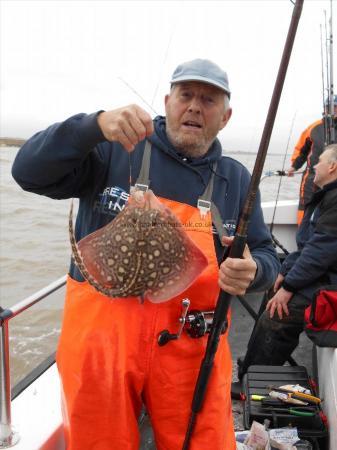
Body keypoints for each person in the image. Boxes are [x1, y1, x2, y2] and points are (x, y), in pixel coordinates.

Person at [12, 59, 280, 450]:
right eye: (186, 95)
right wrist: (92, 126)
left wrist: (254, 271)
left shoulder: (236, 179)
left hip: (189, 344)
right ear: (168, 101)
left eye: (208, 99)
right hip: (103, 342)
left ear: (225, 116)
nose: (194, 106)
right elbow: (27, 172)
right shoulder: (114, 150)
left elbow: (268, 255)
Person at [237, 144, 337, 383]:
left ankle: (253, 381)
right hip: (323, 274)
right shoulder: (328, 197)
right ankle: (250, 369)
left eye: (319, 161)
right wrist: (284, 271)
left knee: (278, 315)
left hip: (330, 283)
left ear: (332, 167)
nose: (313, 166)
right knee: (271, 291)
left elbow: (320, 252)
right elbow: (309, 247)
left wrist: (290, 287)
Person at [287, 95, 337, 225]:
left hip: (334, 178)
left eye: (335, 107)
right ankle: (303, 241)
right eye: (330, 107)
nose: (333, 110)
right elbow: (302, 150)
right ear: (325, 108)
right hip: (312, 178)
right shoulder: (313, 128)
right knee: (306, 209)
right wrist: (294, 166)